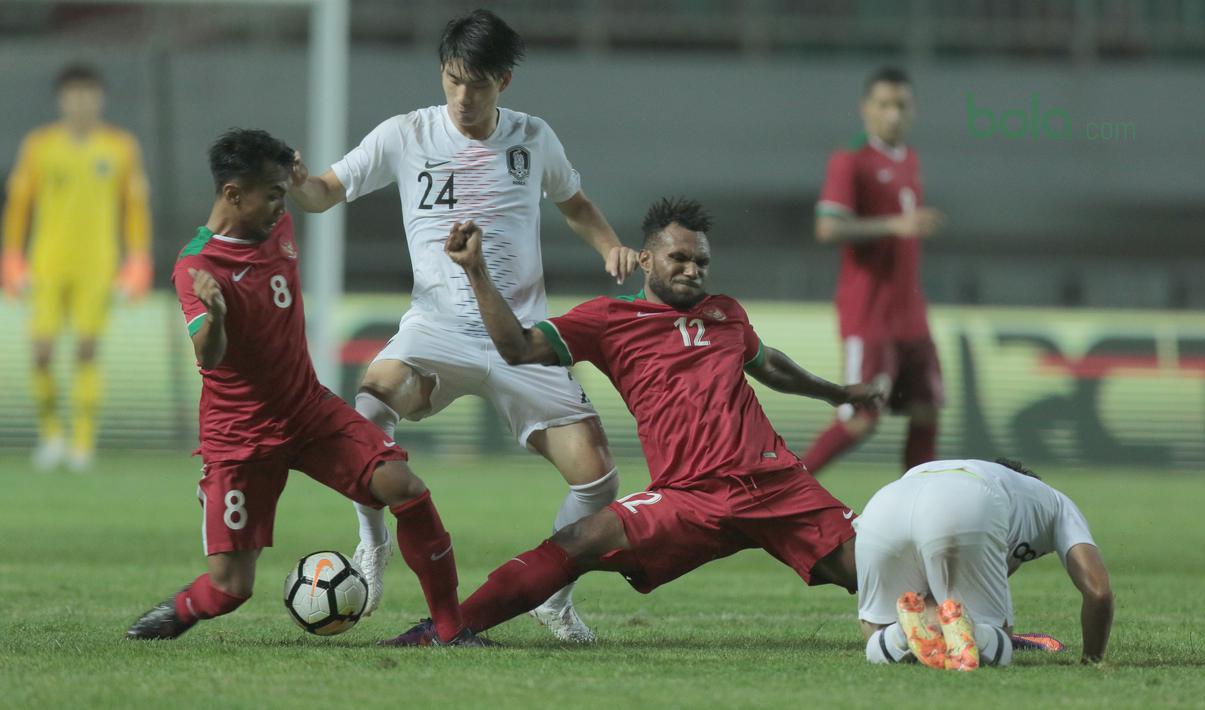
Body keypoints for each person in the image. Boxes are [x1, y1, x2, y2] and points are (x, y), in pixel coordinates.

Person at [379, 197, 885, 646]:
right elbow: (515, 347)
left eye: (701, 261)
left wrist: (837, 393)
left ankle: (950, 625)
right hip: (690, 496)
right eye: (679, 258)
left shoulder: (726, 313)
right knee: (578, 540)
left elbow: (767, 362)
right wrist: (477, 271)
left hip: (777, 486)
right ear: (646, 259)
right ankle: (446, 630)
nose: (693, 270)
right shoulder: (608, 320)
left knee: (881, 567)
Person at [290, 9, 636, 642]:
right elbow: (322, 194)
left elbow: (577, 205)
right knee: (367, 409)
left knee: (600, 480)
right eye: (452, 80)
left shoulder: (533, 138)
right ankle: (371, 546)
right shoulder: (405, 134)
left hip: (522, 337)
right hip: (436, 331)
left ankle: (552, 595)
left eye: (477, 84)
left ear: (503, 81)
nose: (463, 97)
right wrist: (295, 182)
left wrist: (609, 245)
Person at [125, 129, 480, 646]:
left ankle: (451, 629)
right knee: (230, 589)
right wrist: (218, 316)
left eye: (281, 193)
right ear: (232, 194)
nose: (279, 205)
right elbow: (210, 354)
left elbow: (314, 196)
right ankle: (178, 610)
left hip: (307, 411)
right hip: (241, 436)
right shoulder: (197, 265)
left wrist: (301, 175)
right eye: (270, 194)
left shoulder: (279, 220)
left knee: (405, 487)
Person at [1, 63, 153, 471]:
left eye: (88, 94)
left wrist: (137, 259)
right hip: (47, 262)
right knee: (41, 352)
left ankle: (83, 443)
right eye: (73, 94)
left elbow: (134, 208)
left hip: (97, 264)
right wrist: (12, 256)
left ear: (99, 98)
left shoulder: (121, 147)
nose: (81, 102)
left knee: (87, 350)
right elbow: (19, 205)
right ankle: (51, 436)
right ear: (61, 99)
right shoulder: (39, 146)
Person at [802, 66, 946, 477]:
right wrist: (892, 225)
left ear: (913, 109)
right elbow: (827, 228)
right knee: (861, 418)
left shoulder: (910, 160)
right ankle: (784, 489)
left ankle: (918, 513)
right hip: (869, 316)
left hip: (911, 316)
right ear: (866, 109)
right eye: (884, 105)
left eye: (901, 105)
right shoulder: (851, 160)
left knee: (926, 410)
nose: (893, 114)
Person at [856, 458, 1114, 670]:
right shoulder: (1056, 502)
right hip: (970, 501)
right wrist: (1092, 660)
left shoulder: (960, 470)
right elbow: (1099, 592)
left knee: (875, 635)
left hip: (886, 502)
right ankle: (978, 635)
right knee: (997, 643)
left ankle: (900, 635)